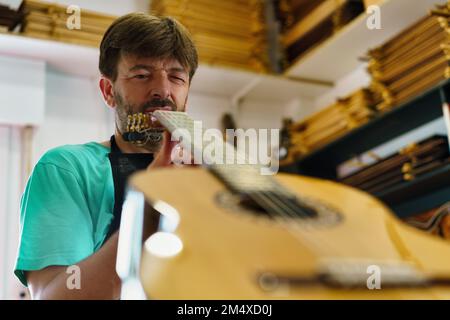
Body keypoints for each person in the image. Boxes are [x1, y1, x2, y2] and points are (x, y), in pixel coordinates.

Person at [14, 12, 198, 299]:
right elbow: (53, 296)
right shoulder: (67, 169)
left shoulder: (208, 179)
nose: (163, 90)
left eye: (176, 77)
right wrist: (147, 208)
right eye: (141, 75)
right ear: (108, 91)